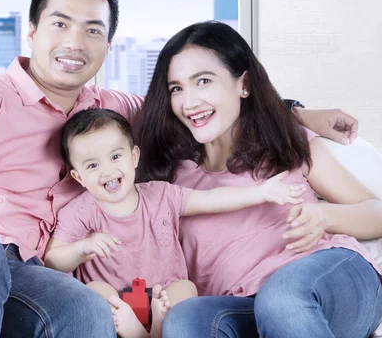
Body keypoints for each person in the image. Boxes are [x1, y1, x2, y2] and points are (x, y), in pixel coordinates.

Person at [0, 0, 362, 337]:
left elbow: (207, 102)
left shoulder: (114, 110)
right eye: (60, 24)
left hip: (25, 274)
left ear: (107, 46)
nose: (75, 41)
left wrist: (300, 112)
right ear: (33, 32)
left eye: (93, 30)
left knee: (85, 309)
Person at [135, 20, 382, 338]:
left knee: (281, 299)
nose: (189, 102)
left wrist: (324, 216)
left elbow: (376, 212)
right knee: (185, 320)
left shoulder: (285, 143)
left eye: (204, 81)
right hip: (242, 307)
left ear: (244, 84)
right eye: (176, 88)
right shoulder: (169, 180)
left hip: (329, 281)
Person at [45, 108, 306, 338]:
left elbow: (210, 199)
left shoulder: (161, 194)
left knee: (186, 288)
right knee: (94, 290)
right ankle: (135, 331)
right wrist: (83, 247)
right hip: (118, 305)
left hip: (163, 297)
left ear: (134, 157)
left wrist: (259, 194)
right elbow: (53, 260)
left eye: (115, 157)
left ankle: (159, 328)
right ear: (79, 177)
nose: (107, 170)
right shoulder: (81, 211)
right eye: (92, 165)